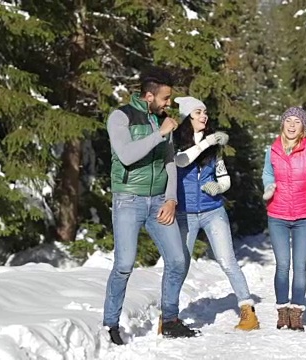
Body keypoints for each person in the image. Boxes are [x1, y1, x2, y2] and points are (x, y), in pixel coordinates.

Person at [103, 70, 198, 344]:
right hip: (128, 200)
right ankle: (110, 324)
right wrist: (160, 134)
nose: (169, 104)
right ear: (149, 96)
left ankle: (169, 320)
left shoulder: (161, 120)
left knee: (178, 260)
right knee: (123, 264)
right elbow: (127, 155)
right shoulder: (121, 117)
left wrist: (171, 198)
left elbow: (170, 161)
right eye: (165, 98)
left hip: (159, 201)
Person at [173, 96, 260, 331]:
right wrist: (208, 141)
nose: (204, 116)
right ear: (186, 118)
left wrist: (219, 187)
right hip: (185, 213)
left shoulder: (215, 148)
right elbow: (181, 162)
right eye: (198, 112)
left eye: (205, 112)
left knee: (228, 260)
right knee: (179, 264)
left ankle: (248, 312)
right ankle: (169, 316)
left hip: (214, 211)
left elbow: (224, 177)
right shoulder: (175, 142)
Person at [262, 106, 306, 331]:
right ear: (282, 124)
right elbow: (267, 174)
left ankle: (297, 311)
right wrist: (268, 187)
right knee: (283, 265)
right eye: (288, 121)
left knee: (299, 266)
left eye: (297, 122)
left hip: (303, 215)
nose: (291, 125)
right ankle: (282, 310)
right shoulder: (272, 149)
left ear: (303, 127)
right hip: (277, 214)